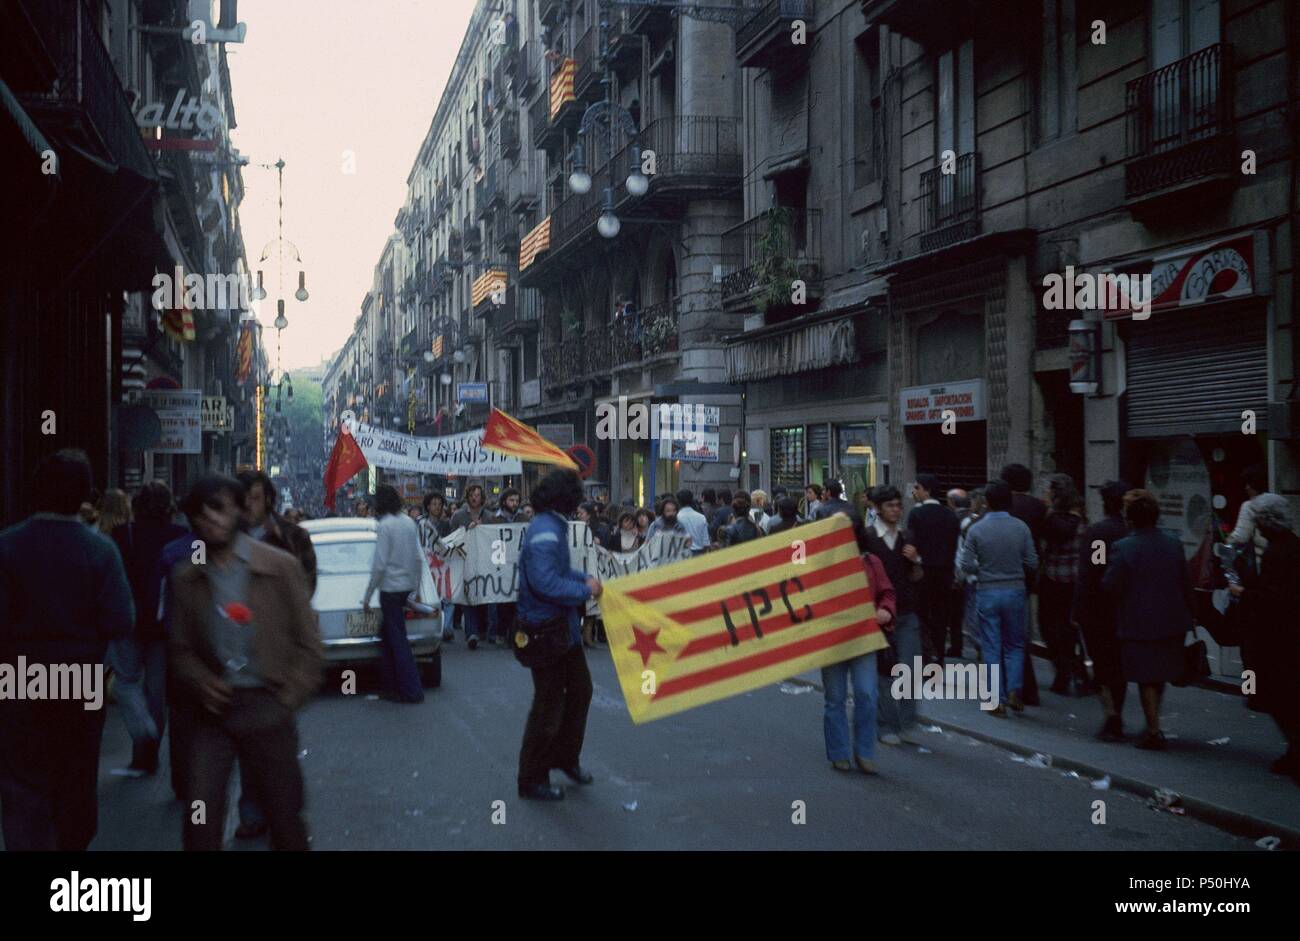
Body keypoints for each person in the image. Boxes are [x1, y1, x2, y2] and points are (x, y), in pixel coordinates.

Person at [171, 475, 321, 850]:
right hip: (214, 713)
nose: (212, 521)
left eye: (220, 509)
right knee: (201, 814)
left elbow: (310, 644)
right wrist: (200, 680)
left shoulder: (279, 567)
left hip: (266, 703)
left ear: (239, 509)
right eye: (202, 514)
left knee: (284, 815)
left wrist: (286, 699)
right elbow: (178, 648)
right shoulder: (187, 577)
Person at [0, 450, 134, 851]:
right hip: (79, 681)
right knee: (75, 775)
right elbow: (120, 621)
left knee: (23, 782)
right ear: (83, 496)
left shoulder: (7, 547)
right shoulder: (100, 552)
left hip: (19, 680)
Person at [516, 469, 601, 801]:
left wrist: (584, 579)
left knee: (581, 690)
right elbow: (546, 583)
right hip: (544, 630)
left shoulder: (551, 526)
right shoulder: (545, 532)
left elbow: (560, 572)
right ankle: (531, 777)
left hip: (561, 628)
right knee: (548, 704)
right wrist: (584, 589)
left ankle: (565, 758)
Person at [1102, 490, 1194, 750]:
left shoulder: (1123, 547)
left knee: (1145, 676)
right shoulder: (1173, 543)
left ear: (1131, 519)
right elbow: (1185, 581)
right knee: (1160, 673)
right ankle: (1153, 723)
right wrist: (1192, 612)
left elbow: (1110, 585)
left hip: (1139, 619)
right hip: (1172, 618)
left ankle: (1153, 730)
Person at [109, 482, 187, 776]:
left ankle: (144, 738)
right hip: (162, 623)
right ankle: (149, 754)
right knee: (156, 691)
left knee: (126, 682)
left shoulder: (122, 535)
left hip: (127, 621)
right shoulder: (180, 537)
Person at [1228, 494, 1300, 783]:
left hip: (1278, 636)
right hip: (1290, 634)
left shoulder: (1276, 553)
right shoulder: (1294, 546)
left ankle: (1296, 753)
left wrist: (1243, 594)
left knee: (1280, 697)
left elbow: (1277, 599)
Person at [957, 480, 1038, 717]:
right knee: (1015, 644)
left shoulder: (976, 529)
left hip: (988, 590)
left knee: (992, 645)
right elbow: (1032, 561)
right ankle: (1014, 689)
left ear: (987, 502)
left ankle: (996, 698)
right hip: (1015, 590)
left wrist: (983, 570)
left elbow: (965, 565)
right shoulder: (1021, 528)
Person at [823, 542, 894, 775]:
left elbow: (887, 592)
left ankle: (864, 752)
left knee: (867, 694)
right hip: (832, 642)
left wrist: (886, 609)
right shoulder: (820, 564)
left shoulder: (872, 562)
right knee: (835, 698)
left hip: (864, 639)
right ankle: (839, 753)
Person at [860, 486, 923, 743]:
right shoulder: (868, 538)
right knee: (885, 671)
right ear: (877, 508)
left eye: (898, 505)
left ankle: (907, 722)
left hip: (906, 611)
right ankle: (886, 725)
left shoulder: (908, 538)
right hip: (879, 615)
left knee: (910, 667)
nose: (896, 510)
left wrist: (917, 560)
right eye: (890, 506)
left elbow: (917, 577)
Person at [1072, 480, 1131, 742]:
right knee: (1119, 662)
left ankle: (1112, 714)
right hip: (1126, 605)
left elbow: (1092, 571)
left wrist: (1078, 608)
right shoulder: (1132, 531)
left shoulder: (1099, 533)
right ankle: (1117, 710)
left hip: (1097, 606)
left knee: (1102, 662)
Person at [362, 485, 427, 703]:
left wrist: (367, 595)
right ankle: (390, 687)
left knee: (397, 641)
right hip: (405, 587)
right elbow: (418, 557)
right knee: (389, 638)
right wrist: (416, 588)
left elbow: (379, 565)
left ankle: (411, 690)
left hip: (389, 589)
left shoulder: (385, 526)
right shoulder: (409, 523)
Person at [1039, 474, 1089, 695]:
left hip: (1054, 578)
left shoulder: (1054, 519)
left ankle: (1064, 671)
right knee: (1070, 629)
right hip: (1075, 579)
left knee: (1051, 627)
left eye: (1048, 490)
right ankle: (1078, 671)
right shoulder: (1082, 518)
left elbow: (1055, 538)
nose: (1045, 494)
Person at [1001, 463, 1046, 705]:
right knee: (1020, 636)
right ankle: (1027, 689)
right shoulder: (1039, 507)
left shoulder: (1002, 507)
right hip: (1027, 578)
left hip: (999, 579)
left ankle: (1015, 689)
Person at [907, 473, 961, 665]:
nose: (914, 492)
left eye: (917, 488)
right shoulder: (950, 515)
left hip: (924, 571)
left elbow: (912, 543)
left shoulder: (916, 514)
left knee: (922, 615)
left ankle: (926, 656)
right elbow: (955, 546)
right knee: (941, 615)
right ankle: (939, 655)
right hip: (945, 572)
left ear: (926, 490)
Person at [451, 483, 490, 648]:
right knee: (468, 599)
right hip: (465, 562)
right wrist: (469, 530)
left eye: (478, 495)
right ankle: (471, 633)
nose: (475, 498)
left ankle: (481, 629)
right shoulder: (458, 516)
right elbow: (452, 540)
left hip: (484, 563)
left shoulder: (488, 516)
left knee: (482, 598)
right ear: (467, 497)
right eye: (472, 495)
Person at [491, 488, 525, 647]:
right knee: (503, 602)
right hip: (501, 566)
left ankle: (515, 634)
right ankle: (500, 632)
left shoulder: (523, 518)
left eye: (517, 501)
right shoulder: (494, 520)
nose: (515, 504)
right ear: (504, 501)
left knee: (519, 602)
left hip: (519, 565)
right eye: (511, 500)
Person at [675, 488, 710, 555]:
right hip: (699, 554)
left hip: (682, 554)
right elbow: (706, 543)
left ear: (678, 501)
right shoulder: (701, 517)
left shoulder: (676, 518)